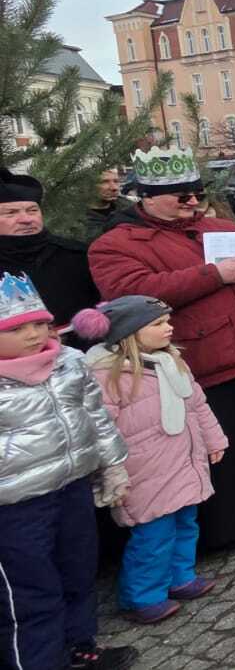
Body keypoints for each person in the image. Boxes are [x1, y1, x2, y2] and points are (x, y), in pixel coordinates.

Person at [89, 145, 235, 553]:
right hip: (201, 358)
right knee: (217, 450)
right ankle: (224, 530)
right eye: (180, 195)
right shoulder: (115, 244)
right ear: (146, 197)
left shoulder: (216, 229)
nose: (192, 202)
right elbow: (132, 294)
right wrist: (214, 274)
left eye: (196, 193)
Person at [0, 272, 138, 670]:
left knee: (78, 571)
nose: (33, 334)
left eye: (40, 323)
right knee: (30, 592)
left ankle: (80, 646)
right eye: (18, 328)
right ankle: (39, 661)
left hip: (71, 486)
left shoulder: (69, 362)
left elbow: (95, 417)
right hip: (15, 506)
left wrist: (112, 465)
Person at [73, 296, 228, 624]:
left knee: (186, 524)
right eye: (158, 323)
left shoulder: (172, 361)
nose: (169, 327)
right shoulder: (106, 376)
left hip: (182, 462)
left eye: (167, 320)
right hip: (143, 472)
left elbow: (196, 404)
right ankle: (142, 596)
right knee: (153, 537)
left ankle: (180, 576)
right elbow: (99, 429)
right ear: (129, 333)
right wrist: (109, 472)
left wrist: (214, 440)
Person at [0, 168, 102, 349]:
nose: (26, 219)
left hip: (84, 355)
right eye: (11, 213)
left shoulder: (76, 255)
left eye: (32, 210)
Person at [86, 168, 134, 240]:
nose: (114, 188)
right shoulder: (72, 217)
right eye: (104, 182)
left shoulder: (130, 207)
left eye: (116, 181)